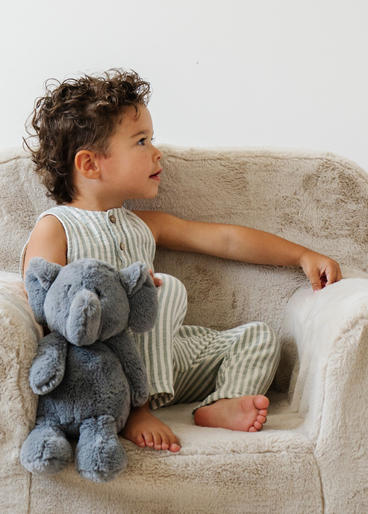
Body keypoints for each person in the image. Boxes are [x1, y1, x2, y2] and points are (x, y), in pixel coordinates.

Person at [20, 69, 342, 454]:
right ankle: (137, 408)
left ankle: (220, 404)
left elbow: (224, 238)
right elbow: (43, 307)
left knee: (259, 337)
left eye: (152, 139)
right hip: (107, 363)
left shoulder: (144, 225)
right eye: (141, 141)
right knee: (164, 289)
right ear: (90, 164)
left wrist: (301, 254)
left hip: (167, 355)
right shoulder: (57, 228)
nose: (158, 152)